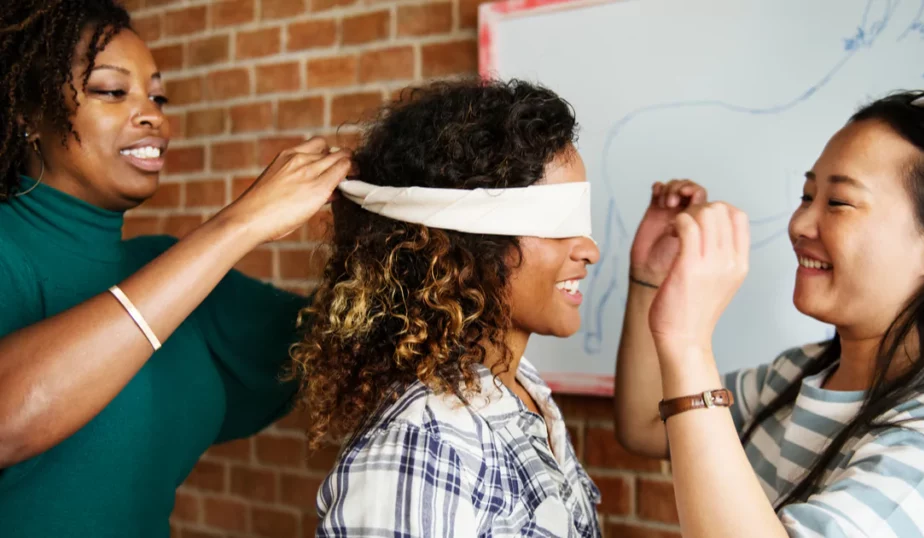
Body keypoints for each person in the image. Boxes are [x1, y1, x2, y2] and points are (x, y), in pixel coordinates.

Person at [0, 2, 350, 536]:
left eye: (157, 97)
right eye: (112, 91)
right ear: (28, 114)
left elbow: (341, 331)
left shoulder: (171, 271)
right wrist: (239, 224)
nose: (152, 116)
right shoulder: (10, 251)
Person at [615, 90, 924, 537]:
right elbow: (644, 426)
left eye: (838, 202)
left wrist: (689, 342)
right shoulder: (796, 374)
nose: (799, 224)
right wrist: (649, 278)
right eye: (807, 196)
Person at [288, 78, 603, 537]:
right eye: (558, 222)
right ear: (471, 242)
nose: (589, 249)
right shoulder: (425, 442)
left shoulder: (524, 389)